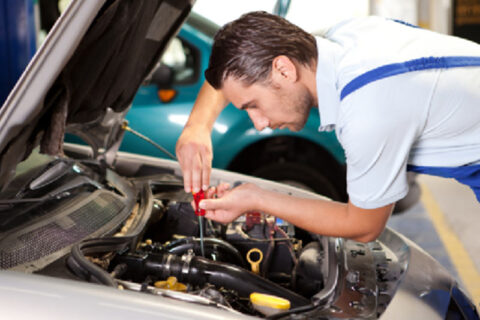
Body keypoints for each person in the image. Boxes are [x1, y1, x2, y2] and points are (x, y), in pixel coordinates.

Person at [175, 11, 480, 242]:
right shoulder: (338, 40)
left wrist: (256, 197)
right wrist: (197, 128)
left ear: (283, 70)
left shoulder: (367, 109)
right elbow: (233, 68)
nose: (260, 122)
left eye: (253, 105)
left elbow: (362, 226)